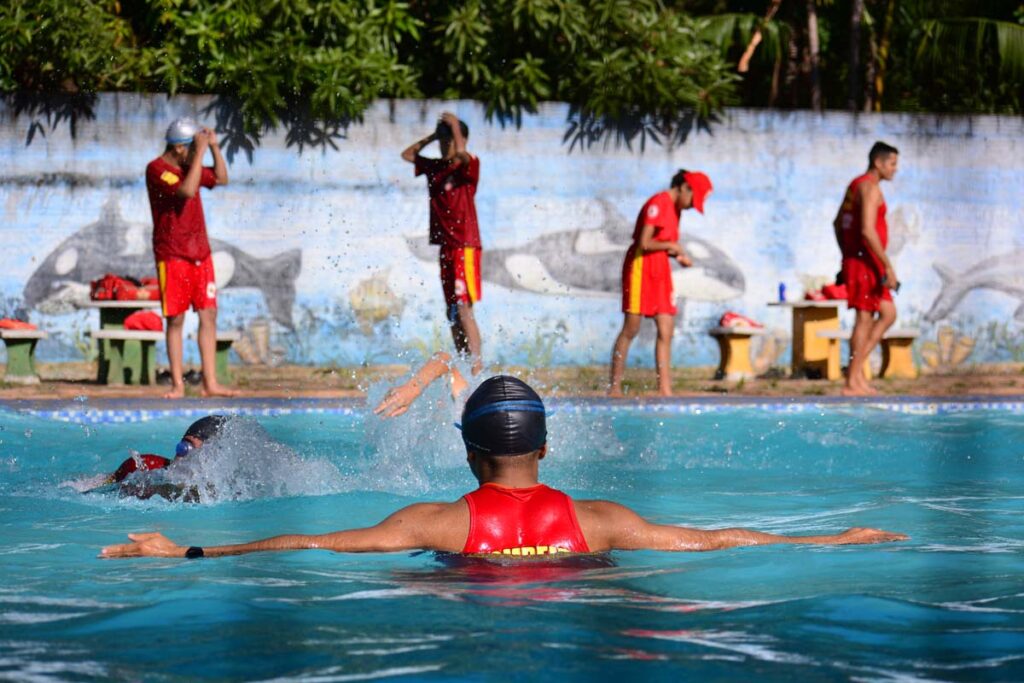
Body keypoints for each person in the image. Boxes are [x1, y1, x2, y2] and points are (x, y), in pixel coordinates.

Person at [101, 377, 906, 559]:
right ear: (545, 448)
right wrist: (835, 539)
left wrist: (186, 552)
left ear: (469, 451)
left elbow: (305, 545)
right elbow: (717, 538)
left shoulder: (435, 522)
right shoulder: (604, 519)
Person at [145, 117, 238, 399]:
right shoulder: (157, 169)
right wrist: (199, 154)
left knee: (208, 315)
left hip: (200, 254)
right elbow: (186, 191)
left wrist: (214, 148)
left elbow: (221, 178)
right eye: (191, 147)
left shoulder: (190, 166)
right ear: (179, 148)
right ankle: (178, 384)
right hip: (172, 255)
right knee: (175, 319)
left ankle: (210, 383)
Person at [608, 170, 713, 397]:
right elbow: (645, 242)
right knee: (631, 328)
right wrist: (672, 247)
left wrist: (677, 256)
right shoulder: (658, 203)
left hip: (660, 271)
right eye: (692, 201)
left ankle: (665, 389)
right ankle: (614, 387)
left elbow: (663, 243)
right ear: (685, 187)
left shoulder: (676, 209)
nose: (690, 207)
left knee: (666, 328)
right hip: (640, 268)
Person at [401, 112, 483, 374]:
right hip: (446, 248)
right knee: (452, 311)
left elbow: (461, 154)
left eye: (450, 140)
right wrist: (434, 135)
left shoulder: (467, 167)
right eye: (442, 141)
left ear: (462, 139)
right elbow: (408, 154)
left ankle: (476, 369)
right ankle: (463, 365)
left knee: (463, 308)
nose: (445, 145)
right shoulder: (435, 168)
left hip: (465, 246)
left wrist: (456, 128)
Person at [833, 141, 900, 396]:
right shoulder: (869, 188)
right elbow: (867, 231)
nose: (895, 169)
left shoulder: (855, 185)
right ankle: (852, 381)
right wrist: (887, 266)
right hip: (866, 262)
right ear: (878, 163)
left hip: (860, 260)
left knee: (888, 313)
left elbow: (837, 223)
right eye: (892, 164)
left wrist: (845, 255)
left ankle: (856, 374)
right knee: (864, 319)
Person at [99, 416, 230, 500]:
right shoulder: (146, 468)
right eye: (183, 445)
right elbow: (94, 487)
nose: (183, 453)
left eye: (191, 448)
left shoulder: (229, 492)